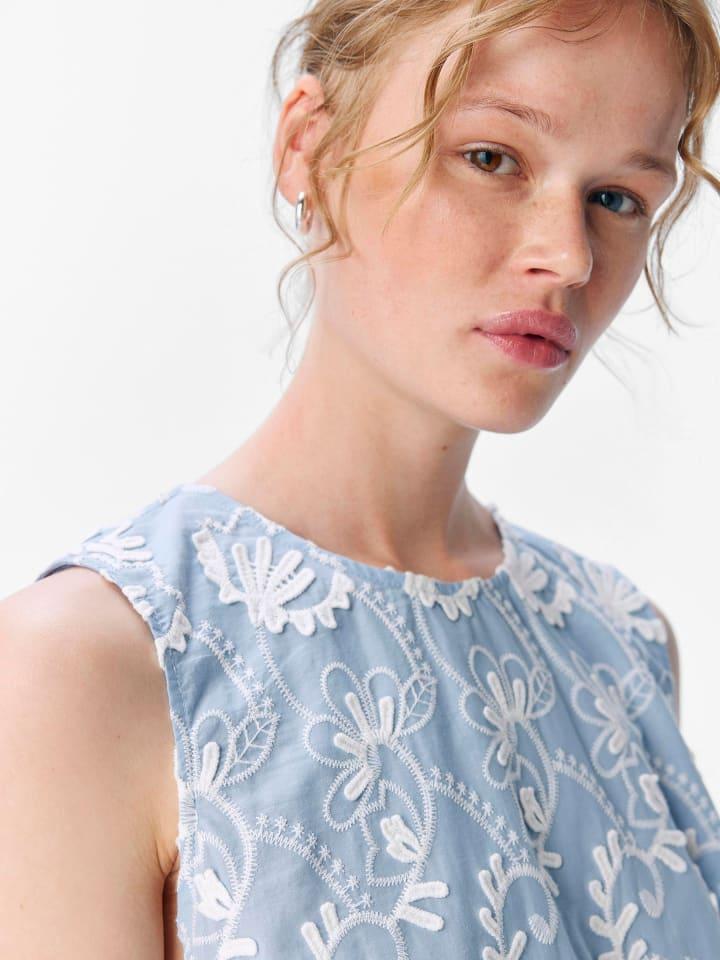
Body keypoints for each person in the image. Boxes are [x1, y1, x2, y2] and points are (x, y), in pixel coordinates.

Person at [3, 0, 720, 956]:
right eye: (491, 157)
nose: (568, 255)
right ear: (309, 145)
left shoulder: (624, 645)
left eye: (618, 197)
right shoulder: (81, 668)